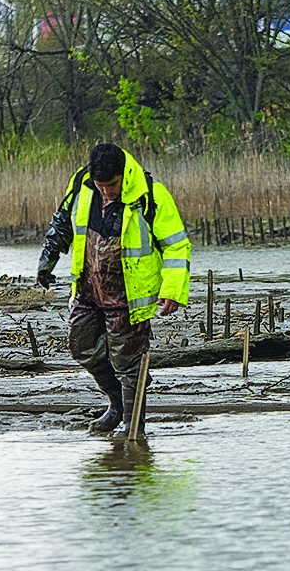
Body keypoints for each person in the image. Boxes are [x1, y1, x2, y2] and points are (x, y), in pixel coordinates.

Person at [36, 143, 191, 437]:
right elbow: (62, 224)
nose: (107, 191)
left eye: (112, 184)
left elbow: (176, 245)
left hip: (128, 296)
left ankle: (134, 429)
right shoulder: (81, 185)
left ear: (123, 175)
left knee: (128, 363)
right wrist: (47, 261)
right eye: (101, 185)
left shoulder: (150, 194)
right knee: (81, 347)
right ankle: (117, 404)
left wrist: (172, 290)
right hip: (87, 290)